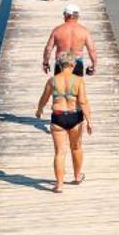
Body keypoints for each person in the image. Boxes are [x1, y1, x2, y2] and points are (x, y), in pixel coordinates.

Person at [35, 56, 91, 192]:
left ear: (60, 66)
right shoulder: (78, 81)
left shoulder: (52, 80)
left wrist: (39, 110)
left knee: (60, 152)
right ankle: (77, 177)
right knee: (76, 148)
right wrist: (89, 120)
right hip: (75, 117)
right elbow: (83, 101)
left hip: (58, 117)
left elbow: (44, 98)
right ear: (72, 65)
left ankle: (59, 185)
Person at [43, 1, 98, 77]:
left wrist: (45, 63)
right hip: (76, 63)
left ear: (66, 15)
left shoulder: (57, 30)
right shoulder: (84, 31)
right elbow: (92, 50)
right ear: (77, 16)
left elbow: (48, 49)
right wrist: (94, 65)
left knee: (60, 87)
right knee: (77, 87)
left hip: (61, 63)